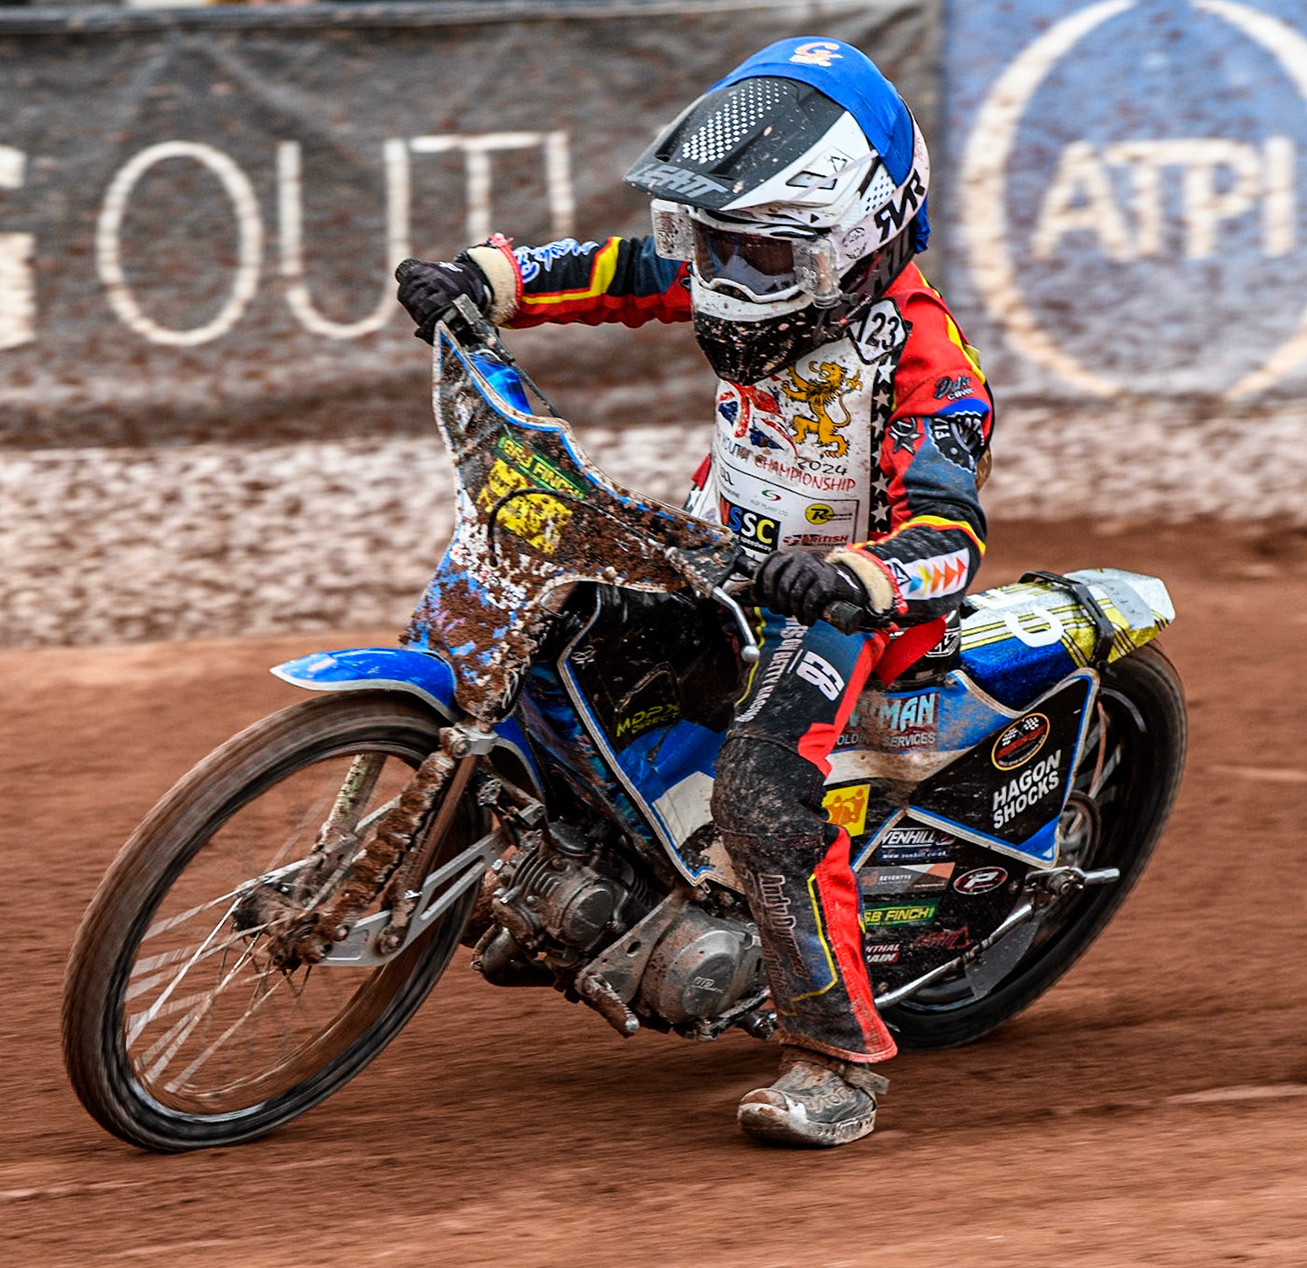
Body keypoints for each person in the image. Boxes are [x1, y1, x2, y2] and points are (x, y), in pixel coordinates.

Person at [395, 36, 993, 1148]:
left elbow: (951, 537)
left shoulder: (929, 366)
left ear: (858, 244)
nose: (727, 278)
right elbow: (623, 271)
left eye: (759, 254)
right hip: (716, 553)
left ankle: (836, 1058)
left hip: (843, 609)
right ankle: (566, 867)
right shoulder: (753, 263)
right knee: (553, 632)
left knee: (762, 793)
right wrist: (487, 280)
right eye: (712, 244)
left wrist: (857, 573)